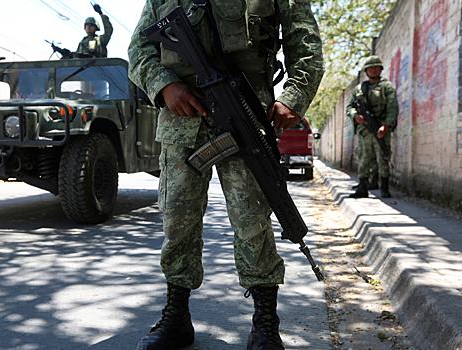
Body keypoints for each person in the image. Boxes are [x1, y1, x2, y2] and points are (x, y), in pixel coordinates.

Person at [128, 1, 324, 349]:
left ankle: (265, 322)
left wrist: (294, 97)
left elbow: (305, 43)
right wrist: (164, 86)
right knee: (177, 219)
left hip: (246, 111)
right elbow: (140, 48)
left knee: (253, 220)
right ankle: (177, 315)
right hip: (181, 118)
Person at [346, 56, 398, 198]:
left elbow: (393, 107)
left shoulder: (387, 86)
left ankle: (384, 188)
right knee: (364, 158)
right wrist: (356, 115)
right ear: (366, 70)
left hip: (381, 128)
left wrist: (386, 125)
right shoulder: (360, 88)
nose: (373, 70)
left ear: (380, 69)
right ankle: (362, 187)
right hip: (365, 130)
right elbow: (349, 107)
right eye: (370, 68)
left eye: (376, 67)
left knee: (383, 157)